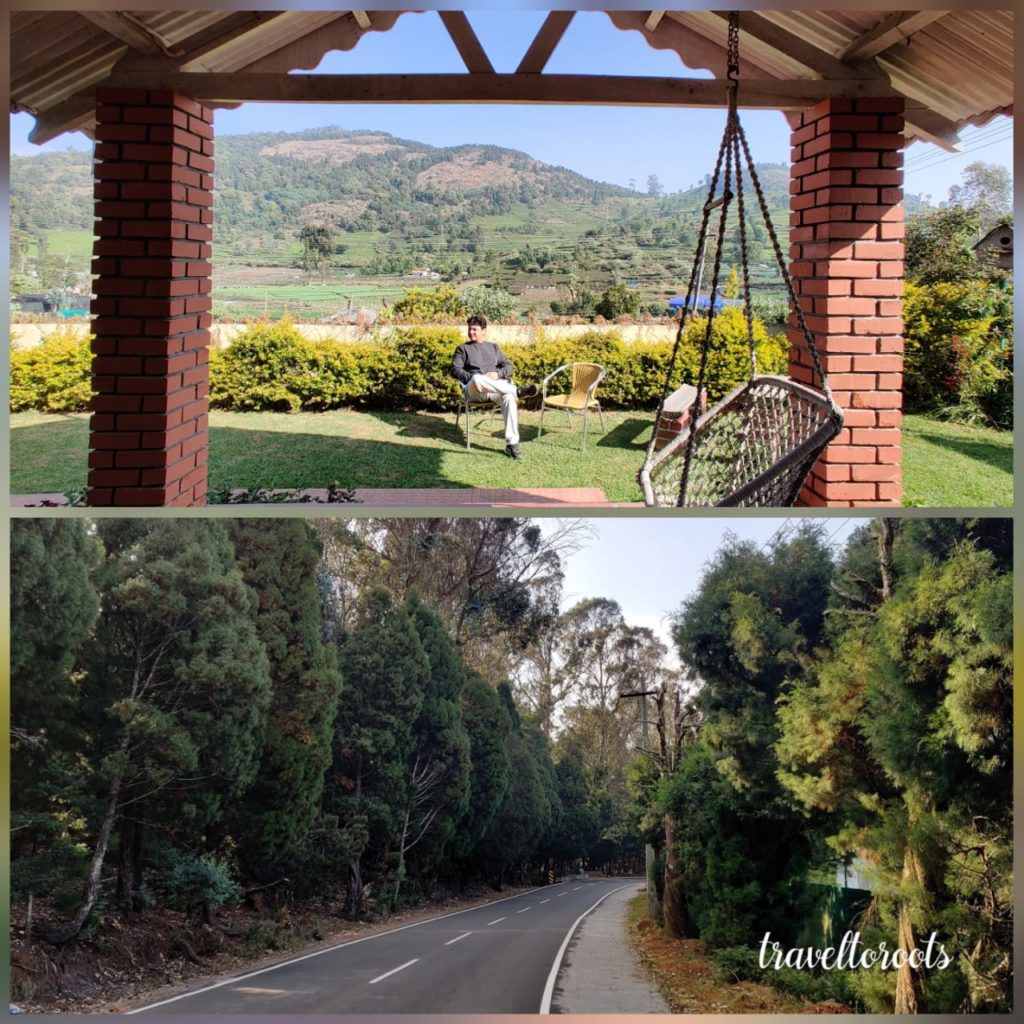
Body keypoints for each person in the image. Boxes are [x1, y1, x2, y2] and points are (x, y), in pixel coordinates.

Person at [451, 314, 538, 459]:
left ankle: (512, 445)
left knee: (509, 397)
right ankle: (519, 391)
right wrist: (475, 378)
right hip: (474, 390)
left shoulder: (493, 347)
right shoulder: (462, 349)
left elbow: (508, 367)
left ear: (484, 331)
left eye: (474, 329)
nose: (471, 332)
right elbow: (455, 370)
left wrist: (497, 375)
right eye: (469, 329)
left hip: (494, 390)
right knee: (478, 378)